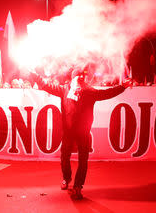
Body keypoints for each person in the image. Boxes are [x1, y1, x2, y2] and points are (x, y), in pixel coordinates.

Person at [30, 68, 131, 199]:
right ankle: (67, 178)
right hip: (68, 131)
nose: (80, 79)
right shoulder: (64, 89)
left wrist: (122, 87)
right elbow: (46, 86)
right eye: (77, 77)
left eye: (82, 77)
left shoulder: (89, 91)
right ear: (72, 78)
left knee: (83, 160)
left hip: (83, 132)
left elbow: (107, 93)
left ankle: (78, 186)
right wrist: (33, 74)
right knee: (64, 157)